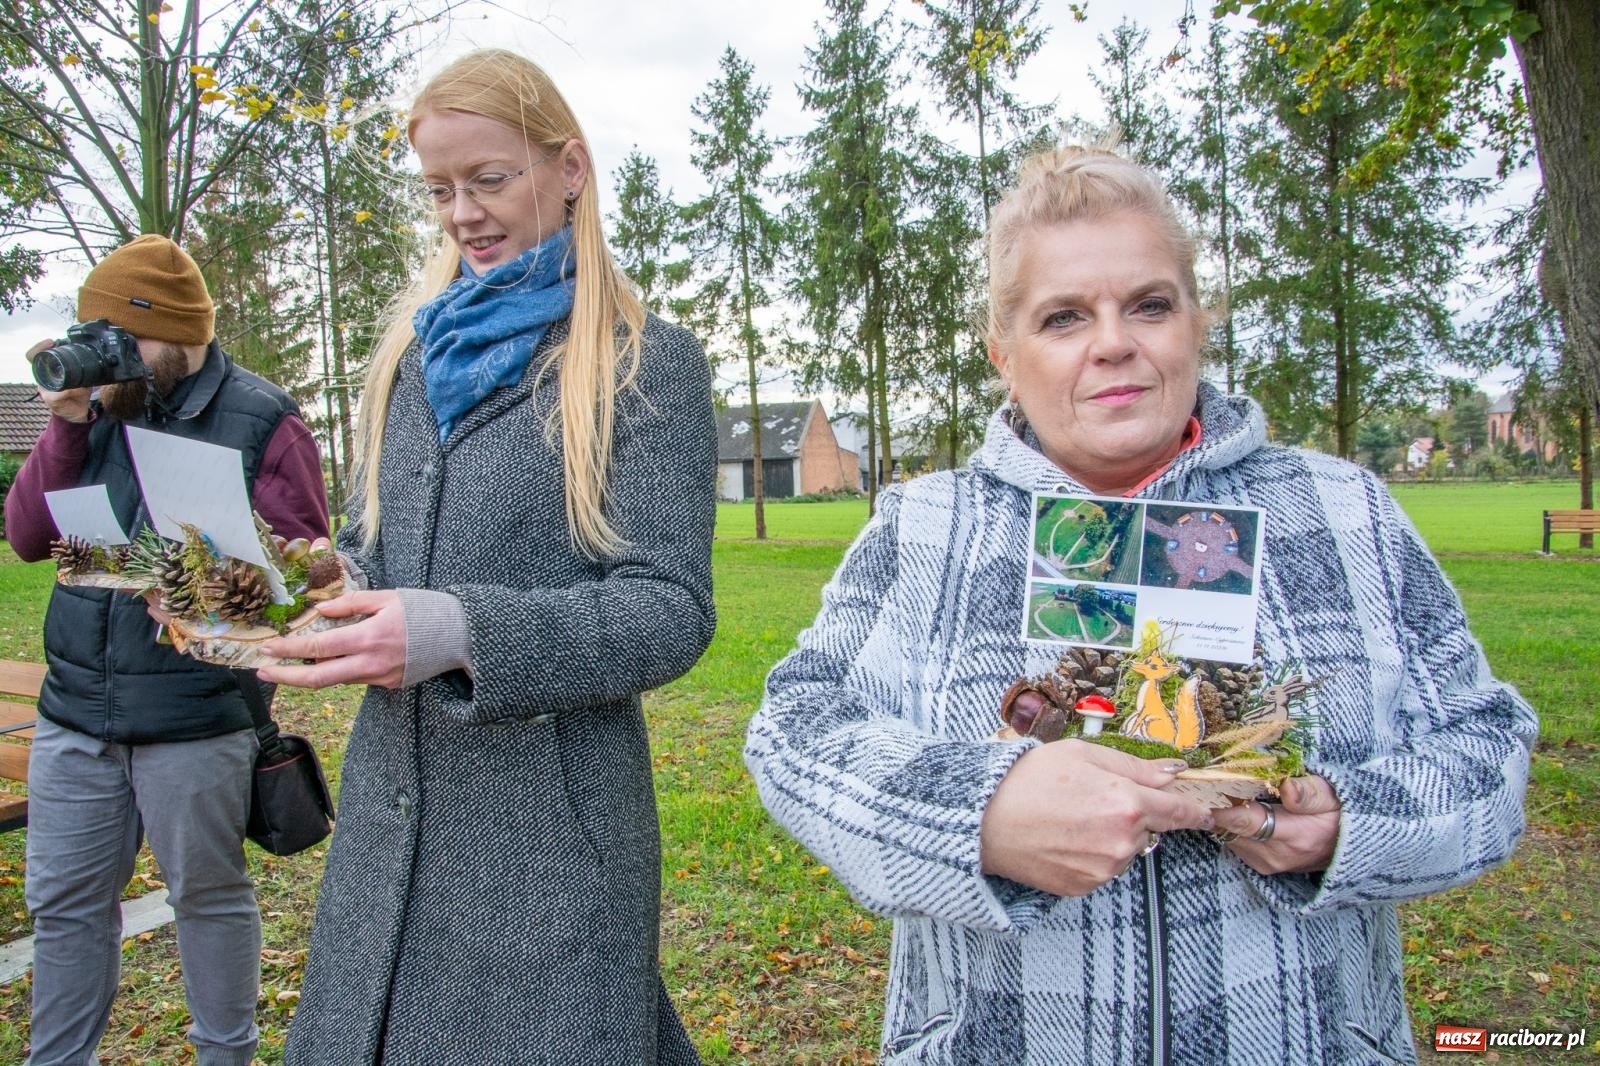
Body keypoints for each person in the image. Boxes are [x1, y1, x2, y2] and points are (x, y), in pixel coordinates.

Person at [744, 146, 1537, 1065]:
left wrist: (1354, 826)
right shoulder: (924, 525)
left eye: (1150, 305)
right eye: (1064, 317)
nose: (1113, 342)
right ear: (1005, 356)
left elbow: (1489, 749)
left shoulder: (1343, 509)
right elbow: (791, 731)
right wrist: (977, 814)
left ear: (1198, 321)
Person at [254, 48, 716, 1065]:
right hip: (389, 832)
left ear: (569, 168)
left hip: (550, 849)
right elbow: (375, 546)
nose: (462, 214)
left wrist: (462, 631)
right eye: (439, 190)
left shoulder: (645, 364)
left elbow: (670, 608)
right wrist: (324, 584)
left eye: (489, 179)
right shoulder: (410, 360)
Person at [4, 234, 330, 1066]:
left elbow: (305, 580)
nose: (108, 353)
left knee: (207, 898)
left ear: (180, 334)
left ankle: (225, 1056)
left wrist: (208, 588)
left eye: (127, 336)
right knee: (65, 907)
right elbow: (29, 538)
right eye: (96, 332)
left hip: (196, 718)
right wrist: (67, 426)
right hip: (75, 714)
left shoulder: (263, 419)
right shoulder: (94, 408)